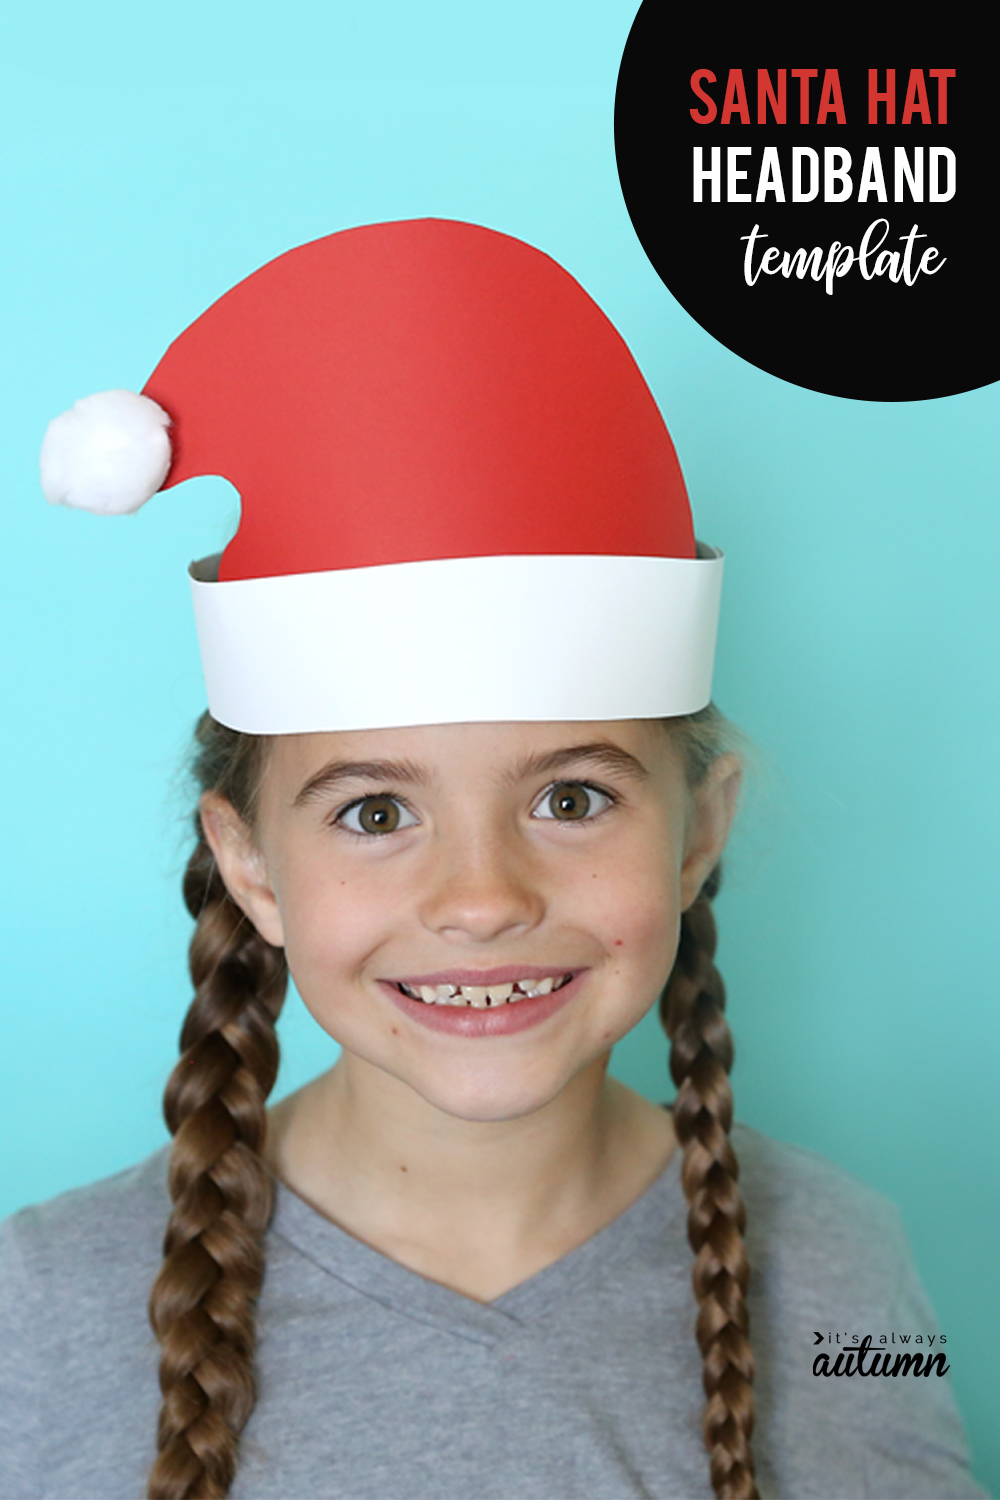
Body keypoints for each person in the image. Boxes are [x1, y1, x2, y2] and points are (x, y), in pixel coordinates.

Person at [0, 220, 984, 1500]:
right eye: (371, 814)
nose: (480, 900)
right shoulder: (38, 1308)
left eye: (571, 798)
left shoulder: (845, 1269)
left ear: (700, 831)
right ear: (250, 869)